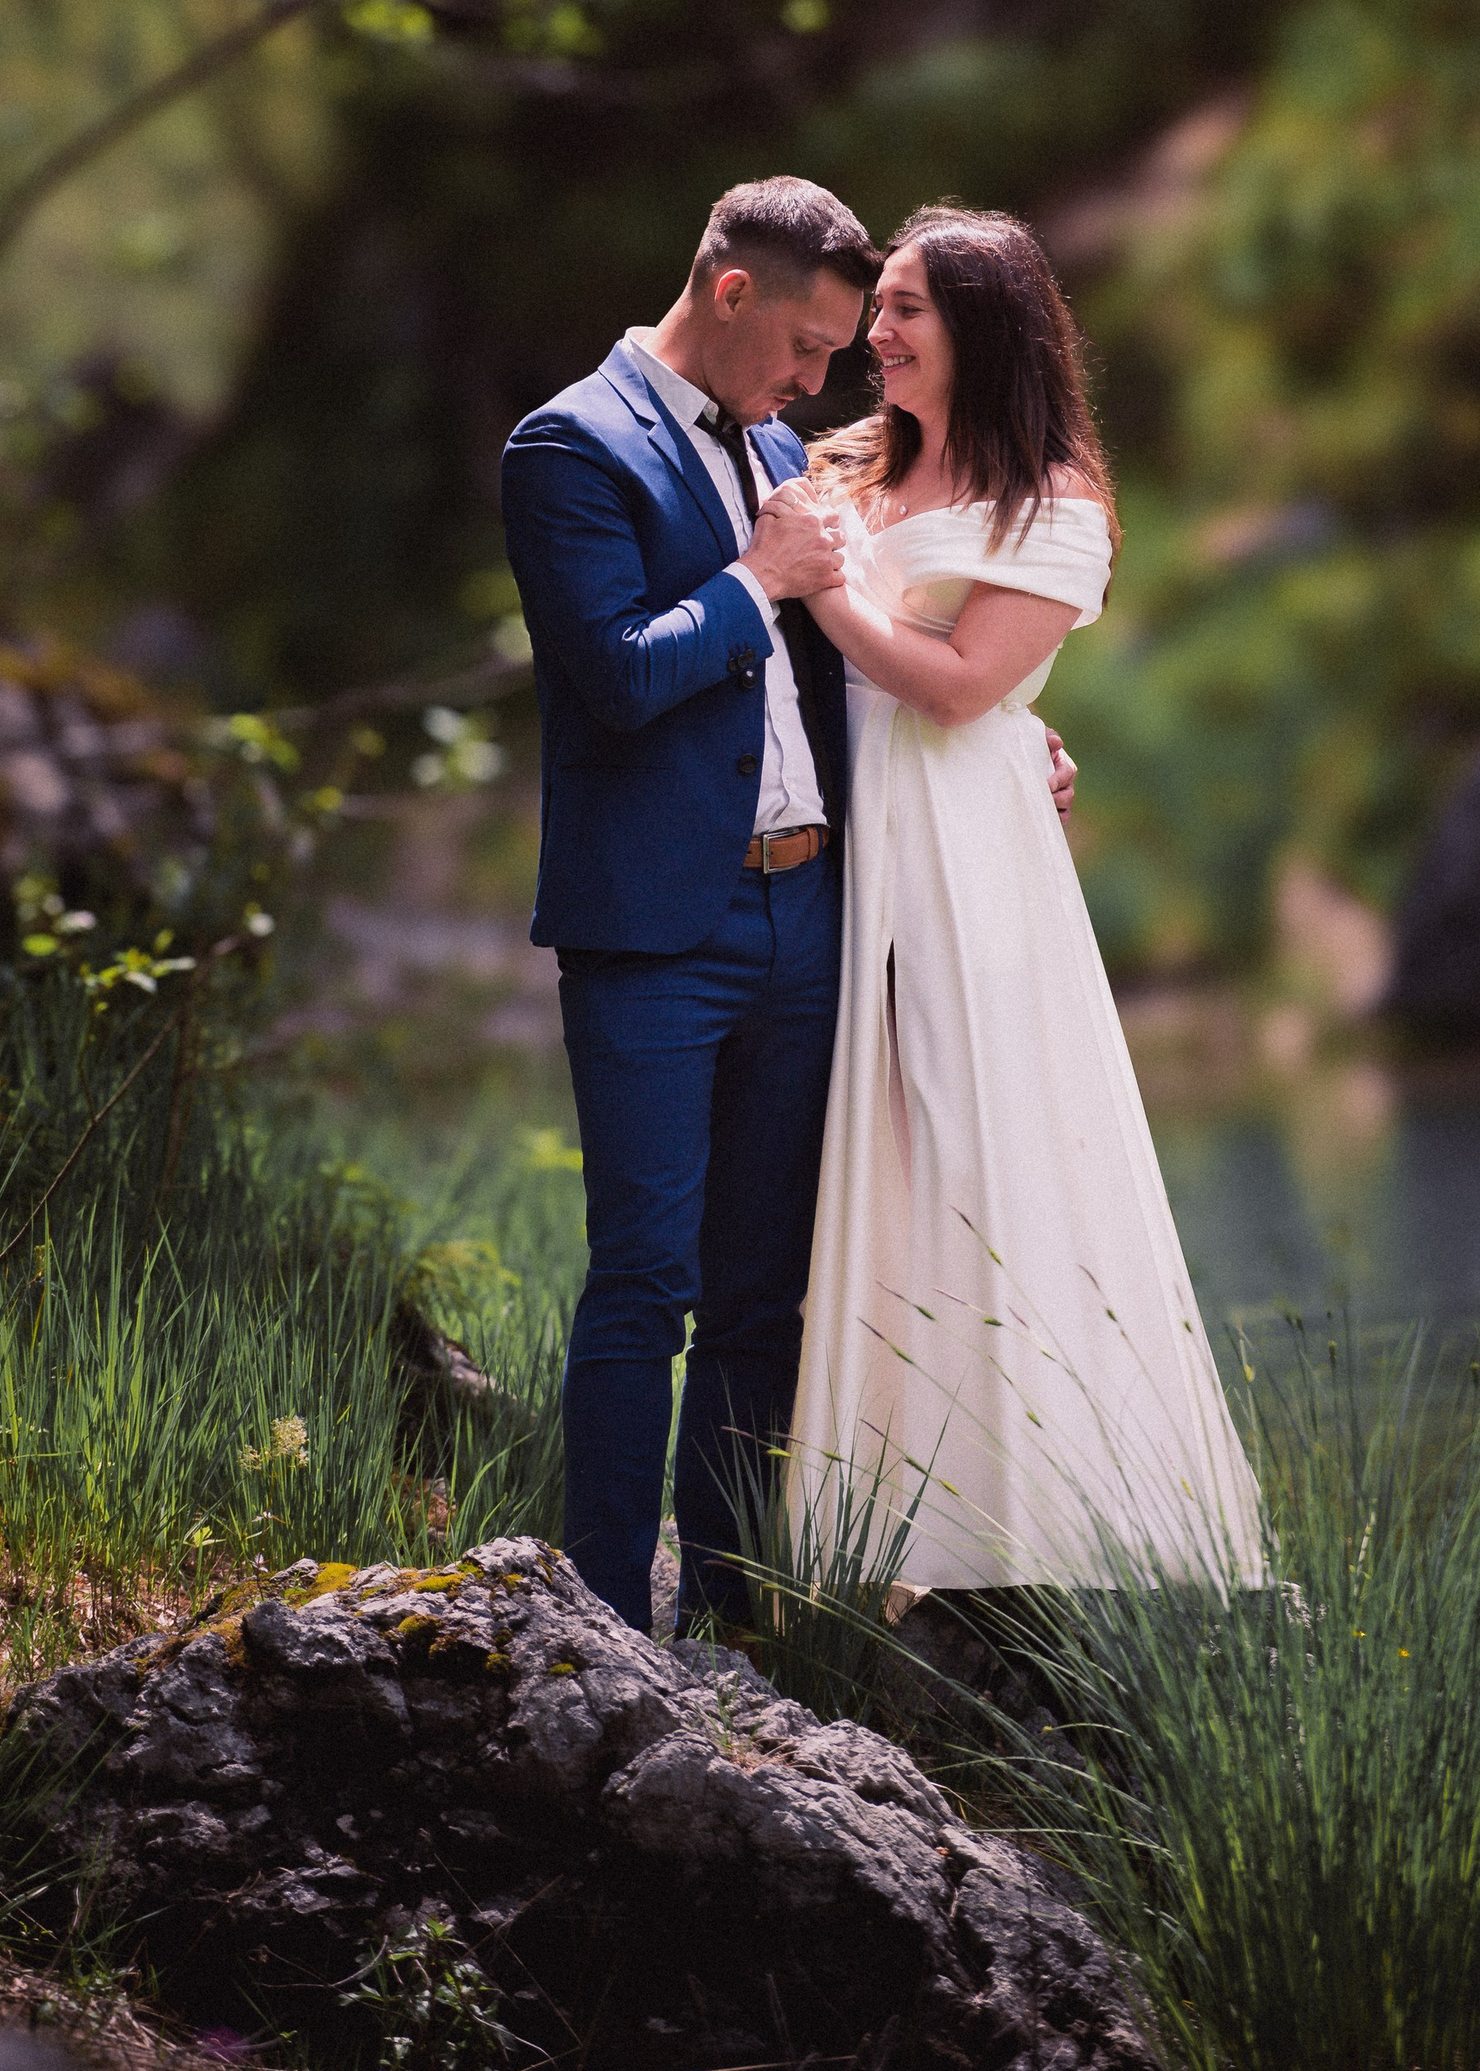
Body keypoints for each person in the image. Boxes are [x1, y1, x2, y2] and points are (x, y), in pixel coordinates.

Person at [500, 176, 1078, 1637]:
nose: (826, 381)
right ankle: (605, 1625)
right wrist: (758, 576)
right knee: (645, 1276)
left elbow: (861, 664)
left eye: (847, 349)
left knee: (769, 1293)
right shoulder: (568, 446)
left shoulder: (776, 442)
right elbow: (621, 675)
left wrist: (1014, 738)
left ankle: (734, 1613)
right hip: (651, 931)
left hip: (808, 915)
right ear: (733, 289)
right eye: (810, 345)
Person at [783, 203, 1264, 1592]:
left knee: (971, 1135)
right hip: (838, 833)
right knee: (852, 1158)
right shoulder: (838, 470)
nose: (875, 331)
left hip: (959, 856)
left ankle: (1036, 1520)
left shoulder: (1051, 504)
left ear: (986, 328)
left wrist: (822, 590)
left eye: (907, 307)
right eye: (877, 305)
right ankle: (863, 1529)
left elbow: (953, 683)